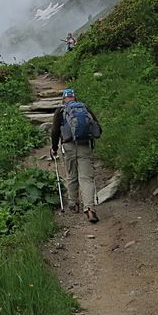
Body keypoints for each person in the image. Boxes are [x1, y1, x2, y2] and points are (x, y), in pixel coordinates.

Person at [51, 88, 101, 223]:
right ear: (75, 98)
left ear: (63, 99)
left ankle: (74, 204)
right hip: (85, 146)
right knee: (86, 178)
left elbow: (55, 131)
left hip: (68, 147)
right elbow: (97, 127)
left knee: (71, 175)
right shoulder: (84, 108)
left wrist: (54, 148)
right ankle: (90, 209)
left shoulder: (60, 111)